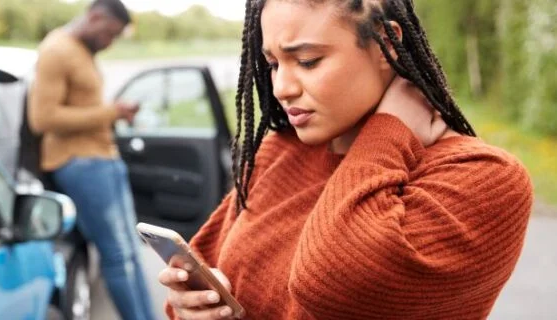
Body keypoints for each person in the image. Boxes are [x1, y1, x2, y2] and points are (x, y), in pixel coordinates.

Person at [158, 0, 533, 319]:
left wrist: (388, 131)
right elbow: (206, 267)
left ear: (386, 44)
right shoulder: (279, 151)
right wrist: (191, 306)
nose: (281, 88)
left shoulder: (485, 178)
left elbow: (332, 283)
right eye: (273, 64)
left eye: (307, 61)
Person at [26, 0, 156, 319]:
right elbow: (41, 119)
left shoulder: (82, 51)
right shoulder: (57, 50)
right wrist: (111, 112)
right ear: (94, 16)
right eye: (108, 33)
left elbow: (82, 107)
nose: (109, 42)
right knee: (117, 257)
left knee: (131, 254)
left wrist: (114, 113)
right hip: (81, 164)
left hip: (103, 159)